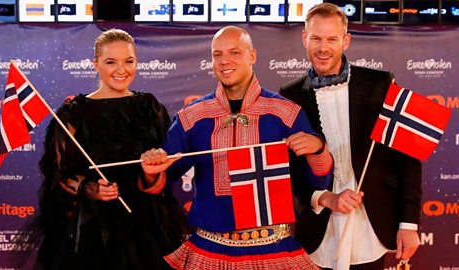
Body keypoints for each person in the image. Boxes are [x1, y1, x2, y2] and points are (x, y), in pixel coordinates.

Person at [139, 25, 334, 270]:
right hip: (209, 249)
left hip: (274, 248)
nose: (224, 61)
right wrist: (151, 170)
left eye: (234, 52)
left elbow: (318, 182)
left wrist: (318, 148)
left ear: (252, 56)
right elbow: (164, 177)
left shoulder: (286, 112)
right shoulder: (192, 115)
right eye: (217, 54)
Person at [28, 28, 190, 270]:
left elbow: (163, 175)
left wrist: (151, 172)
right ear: (96, 65)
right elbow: (57, 175)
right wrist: (89, 188)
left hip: (147, 225)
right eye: (111, 62)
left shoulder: (149, 107)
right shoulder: (74, 113)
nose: (121, 70)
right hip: (94, 230)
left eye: (129, 61)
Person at [279, 3, 422, 270]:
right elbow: (291, 172)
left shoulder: (381, 84)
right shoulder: (289, 96)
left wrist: (409, 224)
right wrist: (323, 198)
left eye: (332, 39)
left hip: (372, 228)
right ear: (304, 38)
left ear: (346, 41)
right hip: (319, 232)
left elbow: (407, 158)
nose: (323, 47)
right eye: (316, 38)